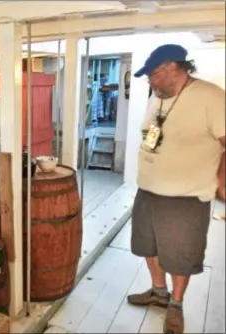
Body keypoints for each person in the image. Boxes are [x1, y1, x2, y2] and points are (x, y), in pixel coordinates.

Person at [128, 44, 225, 334]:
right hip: (148, 190)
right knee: (148, 245)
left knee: (180, 254)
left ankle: (176, 304)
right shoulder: (158, 96)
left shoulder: (211, 96)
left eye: (154, 75)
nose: (150, 81)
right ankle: (159, 292)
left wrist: (222, 179)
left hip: (186, 196)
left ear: (173, 68)